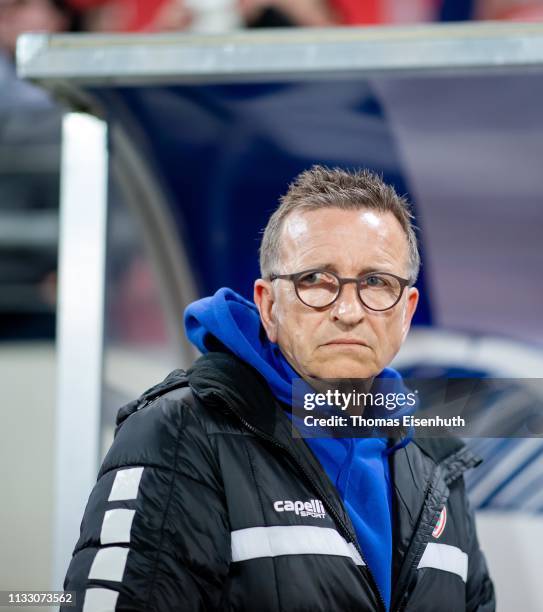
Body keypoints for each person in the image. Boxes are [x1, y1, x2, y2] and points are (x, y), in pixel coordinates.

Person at [63, 166, 495, 611]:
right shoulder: (179, 435)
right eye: (315, 280)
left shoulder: (439, 464)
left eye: (376, 282)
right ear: (268, 306)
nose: (348, 310)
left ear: (405, 311)